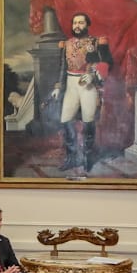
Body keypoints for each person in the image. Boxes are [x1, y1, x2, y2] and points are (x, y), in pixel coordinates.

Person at [50, 12, 114, 173]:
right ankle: (71, 158)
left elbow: (108, 62)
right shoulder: (66, 44)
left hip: (88, 85)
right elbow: (62, 67)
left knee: (88, 121)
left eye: (81, 23)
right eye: (75, 23)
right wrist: (58, 87)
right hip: (71, 85)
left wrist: (93, 75)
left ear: (87, 24)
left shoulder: (97, 42)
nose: (77, 26)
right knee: (65, 120)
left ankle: (87, 157)